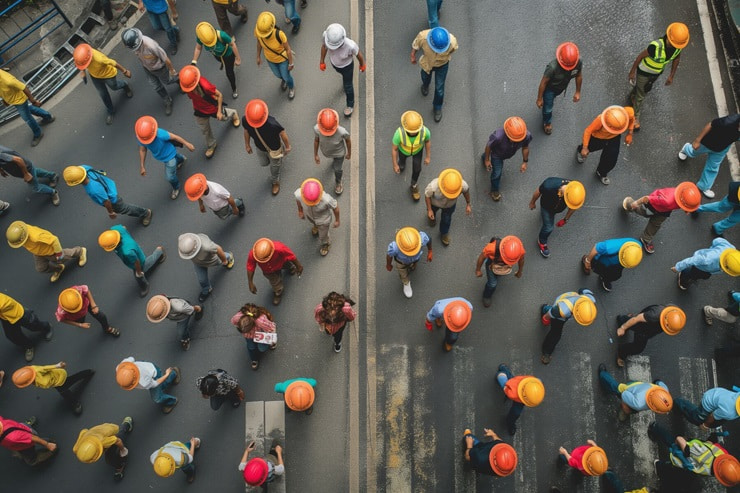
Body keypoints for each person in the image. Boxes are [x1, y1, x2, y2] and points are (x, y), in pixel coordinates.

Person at [629, 23, 689, 130]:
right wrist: (632, 72)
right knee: (641, 95)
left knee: (642, 89)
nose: (677, 46)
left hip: (656, 73)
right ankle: (635, 116)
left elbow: (676, 59)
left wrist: (671, 76)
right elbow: (640, 57)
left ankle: (634, 94)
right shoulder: (655, 46)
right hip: (643, 72)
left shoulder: (677, 48)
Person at [648, 421, 740, 488]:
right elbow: (680, 440)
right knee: (670, 441)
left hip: (696, 447)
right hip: (687, 450)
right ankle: (654, 428)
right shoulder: (702, 459)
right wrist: (678, 448)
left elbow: (711, 444)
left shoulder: (724, 455)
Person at [179, 65, 240, 159]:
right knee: (205, 130)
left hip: (212, 107)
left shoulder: (206, 86)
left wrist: (219, 112)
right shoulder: (186, 86)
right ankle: (211, 144)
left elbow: (219, 95)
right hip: (199, 110)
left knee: (223, 117)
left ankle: (233, 114)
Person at [622, 182, 701, 253]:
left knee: (655, 224)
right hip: (653, 206)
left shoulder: (682, 193)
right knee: (644, 212)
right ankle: (631, 206)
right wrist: (635, 203)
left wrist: (686, 209)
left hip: (665, 210)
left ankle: (646, 238)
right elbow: (647, 198)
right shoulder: (667, 200)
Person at [62, 165, 153, 225]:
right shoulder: (83, 168)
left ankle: (146, 213)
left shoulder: (94, 190)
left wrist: (111, 212)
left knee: (124, 208)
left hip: (112, 199)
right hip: (108, 186)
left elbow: (106, 201)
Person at [679, 114, 740, 198]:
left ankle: (703, 186)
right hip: (708, 143)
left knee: (713, 167)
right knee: (693, 152)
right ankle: (686, 149)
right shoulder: (727, 122)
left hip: (722, 148)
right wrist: (697, 140)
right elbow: (711, 124)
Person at [5, 220, 86, 283]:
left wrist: (59, 253)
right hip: (38, 252)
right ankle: (59, 268)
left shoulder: (36, 237)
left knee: (63, 257)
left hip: (50, 251)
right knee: (41, 268)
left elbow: (54, 240)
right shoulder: (21, 230)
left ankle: (80, 251)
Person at [136, 116, 194, 200]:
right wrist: (142, 166)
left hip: (169, 156)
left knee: (170, 177)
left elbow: (175, 137)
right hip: (163, 156)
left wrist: (187, 144)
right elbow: (142, 150)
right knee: (176, 158)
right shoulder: (142, 138)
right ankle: (181, 159)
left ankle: (176, 187)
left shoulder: (160, 134)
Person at [73, 43, 133, 125]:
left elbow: (113, 63)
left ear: (89, 58)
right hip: (95, 77)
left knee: (114, 87)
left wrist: (125, 71)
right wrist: (83, 71)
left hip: (108, 75)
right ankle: (111, 111)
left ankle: (124, 85)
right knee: (103, 94)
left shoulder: (99, 59)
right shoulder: (83, 54)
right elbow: (82, 64)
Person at [121, 28, 177, 115]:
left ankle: (179, 80)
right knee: (155, 85)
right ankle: (167, 100)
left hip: (159, 68)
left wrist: (172, 70)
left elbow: (165, 58)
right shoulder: (134, 45)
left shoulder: (151, 46)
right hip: (147, 68)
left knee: (168, 80)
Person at [98, 225, 165, 297]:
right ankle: (159, 252)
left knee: (142, 271)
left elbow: (136, 262)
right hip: (133, 248)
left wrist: (139, 272)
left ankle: (159, 251)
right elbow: (124, 227)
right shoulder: (115, 229)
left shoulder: (127, 252)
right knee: (140, 269)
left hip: (139, 261)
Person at [577, 105, 635, 186]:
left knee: (611, 158)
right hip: (598, 138)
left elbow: (632, 119)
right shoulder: (600, 119)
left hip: (614, 138)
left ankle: (601, 172)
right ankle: (580, 152)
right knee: (589, 147)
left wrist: (630, 133)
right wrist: (585, 147)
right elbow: (588, 131)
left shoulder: (627, 113)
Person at [243, 99, 291, 195]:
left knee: (274, 167)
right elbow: (246, 130)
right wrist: (247, 144)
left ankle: (275, 182)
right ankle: (277, 162)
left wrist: (287, 146)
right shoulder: (246, 120)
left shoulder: (272, 124)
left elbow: (282, 133)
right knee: (264, 163)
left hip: (275, 149)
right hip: (260, 147)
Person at [411, 26, 458, 122]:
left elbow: (452, 50)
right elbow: (416, 46)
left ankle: (437, 107)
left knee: (439, 88)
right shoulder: (423, 36)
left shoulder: (452, 41)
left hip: (442, 64)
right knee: (425, 77)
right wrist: (412, 55)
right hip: (427, 62)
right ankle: (425, 85)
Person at [12, 361, 95, 415]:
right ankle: (88, 372)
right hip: (54, 383)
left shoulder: (37, 371)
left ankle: (75, 403)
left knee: (65, 391)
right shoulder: (31, 375)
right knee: (70, 382)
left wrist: (58, 365)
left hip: (58, 379)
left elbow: (46, 367)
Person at [529, 178, 585, 257]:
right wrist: (532, 202)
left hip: (556, 208)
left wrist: (565, 219)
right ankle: (542, 241)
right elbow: (538, 191)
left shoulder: (575, 193)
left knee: (549, 219)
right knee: (548, 228)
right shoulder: (549, 185)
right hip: (546, 207)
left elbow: (573, 207)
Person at [615, 305, 685, 367]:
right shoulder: (653, 316)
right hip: (643, 327)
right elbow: (636, 319)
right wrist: (623, 328)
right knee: (637, 348)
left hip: (648, 322)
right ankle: (622, 351)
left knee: (631, 322)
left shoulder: (673, 311)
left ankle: (625, 320)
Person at [597, 364, 673, 421]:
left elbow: (658, 382)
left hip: (637, 385)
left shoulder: (663, 390)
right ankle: (603, 374)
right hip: (626, 389)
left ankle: (625, 411)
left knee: (631, 408)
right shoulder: (638, 404)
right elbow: (624, 394)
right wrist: (625, 405)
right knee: (613, 386)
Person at [540, 289, 597, 364]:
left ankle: (545, 308)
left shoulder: (590, 300)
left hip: (565, 300)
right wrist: (545, 318)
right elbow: (551, 313)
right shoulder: (562, 311)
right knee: (555, 334)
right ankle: (547, 352)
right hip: (559, 312)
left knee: (552, 311)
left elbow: (582, 290)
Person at [320, 24, 366, 116]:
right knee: (344, 79)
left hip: (347, 67)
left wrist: (362, 64)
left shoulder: (350, 45)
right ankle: (345, 82)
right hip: (335, 64)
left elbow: (358, 54)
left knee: (348, 86)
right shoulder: (327, 37)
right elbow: (324, 47)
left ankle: (350, 105)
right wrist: (322, 61)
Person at [536, 42, 582, 135]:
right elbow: (543, 82)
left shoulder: (577, 62)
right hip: (550, 90)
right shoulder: (552, 67)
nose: (568, 69)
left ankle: (551, 99)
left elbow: (579, 75)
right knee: (548, 108)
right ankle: (547, 123)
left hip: (561, 88)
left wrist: (578, 91)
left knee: (551, 101)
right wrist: (539, 99)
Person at [0, 68, 54, 146]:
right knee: (29, 109)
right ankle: (48, 117)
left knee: (27, 118)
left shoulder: (8, 80)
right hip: (14, 101)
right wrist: (5, 100)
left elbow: (24, 87)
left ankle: (38, 134)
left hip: (20, 101)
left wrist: (33, 101)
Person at [482, 117, 532, 201]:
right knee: (497, 173)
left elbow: (525, 147)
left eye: (518, 140)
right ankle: (494, 190)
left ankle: (485, 158)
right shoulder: (497, 136)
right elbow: (488, 146)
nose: (516, 142)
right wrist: (487, 160)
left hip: (508, 153)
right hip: (497, 155)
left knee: (491, 162)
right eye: (514, 140)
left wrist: (525, 162)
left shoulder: (526, 136)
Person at [177, 232, 235, 302]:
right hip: (198, 264)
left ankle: (229, 256)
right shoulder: (182, 240)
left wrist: (224, 260)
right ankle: (207, 289)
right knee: (202, 280)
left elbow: (218, 249)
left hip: (211, 260)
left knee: (222, 259)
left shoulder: (207, 247)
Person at [247, 238, 303, 305]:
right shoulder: (253, 254)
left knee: (288, 265)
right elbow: (250, 266)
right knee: (275, 283)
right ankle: (278, 292)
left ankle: (291, 268)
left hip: (281, 262)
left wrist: (298, 266)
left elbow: (290, 256)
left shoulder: (279, 248)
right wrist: (250, 282)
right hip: (268, 271)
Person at [192, 22, 241, 99]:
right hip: (217, 55)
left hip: (228, 55)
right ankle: (226, 64)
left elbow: (232, 44)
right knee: (223, 63)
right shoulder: (202, 37)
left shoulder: (222, 35)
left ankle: (234, 89)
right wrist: (194, 62)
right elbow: (198, 48)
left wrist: (238, 59)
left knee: (229, 73)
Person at [424, 168, 472, 246]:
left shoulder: (462, 185)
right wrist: (429, 210)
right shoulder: (433, 186)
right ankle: (432, 218)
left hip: (450, 206)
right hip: (435, 204)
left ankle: (444, 232)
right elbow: (427, 196)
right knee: (432, 212)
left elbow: (466, 192)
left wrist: (468, 204)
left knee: (446, 219)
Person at [474, 236, 525, 307]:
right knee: (492, 284)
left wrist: (520, 271)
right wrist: (478, 270)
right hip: (492, 263)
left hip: (504, 266)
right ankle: (487, 295)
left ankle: (497, 274)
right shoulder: (491, 249)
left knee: (499, 274)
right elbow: (482, 257)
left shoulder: (519, 251)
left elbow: (521, 260)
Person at [116, 357, 180, 413]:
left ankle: (172, 401)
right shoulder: (122, 366)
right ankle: (173, 374)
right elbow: (132, 358)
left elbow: (155, 383)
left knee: (157, 398)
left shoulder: (143, 382)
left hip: (154, 376)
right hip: (150, 367)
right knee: (161, 386)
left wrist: (167, 374)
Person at [0, 293, 53, 362]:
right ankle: (28, 346)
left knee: (34, 326)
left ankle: (47, 327)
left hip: (16, 312)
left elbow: (4, 304)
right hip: (5, 317)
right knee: (12, 336)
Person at [254, 12, 295, 99]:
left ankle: (291, 87)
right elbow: (259, 43)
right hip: (270, 59)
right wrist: (258, 56)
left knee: (286, 76)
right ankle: (283, 79)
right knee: (278, 74)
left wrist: (291, 63)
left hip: (282, 60)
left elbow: (288, 49)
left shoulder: (279, 34)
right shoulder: (259, 32)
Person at [671, 238, 740, 290]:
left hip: (708, 269)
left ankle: (691, 275)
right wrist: (678, 267)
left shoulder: (731, 248)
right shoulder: (708, 259)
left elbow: (717, 240)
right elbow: (692, 260)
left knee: (703, 276)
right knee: (692, 273)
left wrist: (712, 249)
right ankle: (683, 277)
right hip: (700, 267)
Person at [392, 111, 431, 201]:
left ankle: (413, 185)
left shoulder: (425, 131)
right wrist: (395, 164)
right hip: (403, 152)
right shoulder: (399, 134)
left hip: (417, 151)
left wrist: (428, 156)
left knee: (417, 169)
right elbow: (394, 149)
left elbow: (427, 141)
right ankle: (401, 164)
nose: (414, 132)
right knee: (401, 164)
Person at [295, 178, 340, 256]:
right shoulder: (299, 194)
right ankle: (315, 226)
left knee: (323, 235)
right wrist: (300, 211)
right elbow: (298, 201)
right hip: (309, 215)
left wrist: (337, 220)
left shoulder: (326, 200)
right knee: (312, 222)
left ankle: (325, 243)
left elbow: (335, 207)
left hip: (323, 220)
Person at [495, 365, 545, 435]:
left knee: (510, 377)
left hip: (519, 382)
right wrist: (501, 378)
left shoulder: (534, 382)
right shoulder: (512, 394)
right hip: (517, 395)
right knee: (515, 413)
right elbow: (505, 387)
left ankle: (503, 369)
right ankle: (510, 423)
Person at [386, 227, 432, 298]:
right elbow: (389, 255)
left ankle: (413, 265)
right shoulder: (395, 248)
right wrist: (388, 264)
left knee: (414, 262)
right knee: (403, 274)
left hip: (416, 259)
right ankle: (406, 283)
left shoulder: (421, 239)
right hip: (401, 263)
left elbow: (428, 238)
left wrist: (430, 251)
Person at [314, 108, 351, 194]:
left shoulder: (342, 132)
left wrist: (349, 153)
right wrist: (315, 154)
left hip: (339, 154)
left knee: (337, 169)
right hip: (327, 152)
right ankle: (334, 161)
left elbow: (348, 141)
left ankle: (338, 182)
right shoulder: (317, 129)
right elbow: (316, 140)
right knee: (334, 161)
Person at [231, 303, 277, 369]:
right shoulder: (237, 318)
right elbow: (234, 322)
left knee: (262, 348)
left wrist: (272, 340)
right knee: (251, 347)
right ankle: (254, 359)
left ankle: (268, 345)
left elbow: (272, 328)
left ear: (253, 325)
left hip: (260, 334)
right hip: (249, 337)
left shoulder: (260, 322)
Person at [674, 386, 740, 429]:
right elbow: (712, 416)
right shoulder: (729, 411)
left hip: (717, 394)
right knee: (696, 418)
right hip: (708, 403)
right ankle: (678, 403)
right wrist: (705, 425)